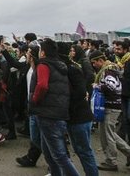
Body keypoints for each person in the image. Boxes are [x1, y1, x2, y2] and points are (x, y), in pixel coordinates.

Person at [30, 39, 79, 176]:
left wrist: (34, 99)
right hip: (59, 112)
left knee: (59, 156)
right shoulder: (60, 65)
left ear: (43, 52)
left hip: (48, 113)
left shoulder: (43, 65)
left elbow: (42, 85)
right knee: (49, 153)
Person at [90, 50, 130, 171]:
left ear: (100, 60)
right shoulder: (109, 69)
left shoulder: (108, 71)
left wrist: (97, 86)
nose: (93, 65)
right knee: (108, 133)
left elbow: (111, 86)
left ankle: (111, 161)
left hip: (111, 107)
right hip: (111, 106)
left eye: (94, 62)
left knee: (108, 135)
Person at [58, 42, 99, 176]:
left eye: (73, 50)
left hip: (79, 116)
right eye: (71, 50)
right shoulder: (68, 68)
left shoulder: (72, 69)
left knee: (84, 151)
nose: (72, 52)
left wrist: (66, 102)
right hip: (76, 116)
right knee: (80, 149)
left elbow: (81, 91)